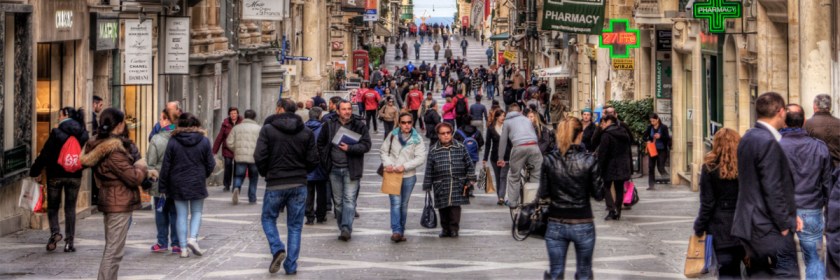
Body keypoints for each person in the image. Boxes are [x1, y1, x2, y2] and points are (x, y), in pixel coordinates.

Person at [732, 92, 801, 278]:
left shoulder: (749, 137)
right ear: (780, 112)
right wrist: (785, 222)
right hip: (767, 226)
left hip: (750, 224)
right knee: (788, 273)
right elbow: (772, 187)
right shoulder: (767, 141)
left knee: (759, 274)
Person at [80, 108, 148, 279]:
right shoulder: (114, 151)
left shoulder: (101, 145)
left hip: (113, 199)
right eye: (123, 122)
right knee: (114, 251)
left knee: (113, 248)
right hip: (118, 201)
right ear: (118, 125)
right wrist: (141, 166)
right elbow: (132, 178)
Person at [254, 98, 319, 275]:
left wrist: (266, 173)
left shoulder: (268, 130)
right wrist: (303, 172)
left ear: (280, 109)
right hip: (298, 182)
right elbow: (313, 159)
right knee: (295, 226)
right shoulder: (306, 132)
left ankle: (277, 248)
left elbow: (259, 156)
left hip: (275, 182)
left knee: (268, 218)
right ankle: (291, 265)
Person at [540, 117, 603, 279]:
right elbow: (599, 194)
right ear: (580, 134)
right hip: (583, 222)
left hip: (556, 222)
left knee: (556, 272)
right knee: (584, 272)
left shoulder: (549, 160)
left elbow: (544, 193)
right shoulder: (589, 160)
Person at [779, 104, 831, 279]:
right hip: (811, 207)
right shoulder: (819, 147)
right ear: (803, 123)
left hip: (782, 209)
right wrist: (826, 205)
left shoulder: (776, 145)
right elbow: (826, 182)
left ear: (784, 122)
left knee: (784, 261)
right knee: (814, 258)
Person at [30, 107, 89, 252]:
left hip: (55, 175)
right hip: (74, 176)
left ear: (65, 116)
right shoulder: (83, 134)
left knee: (53, 207)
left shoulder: (56, 133)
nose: (58, 117)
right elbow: (87, 156)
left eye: (60, 115)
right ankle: (69, 242)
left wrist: (35, 171)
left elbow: (45, 153)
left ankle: (55, 233)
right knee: (70, 209)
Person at [159, 113, 216, 258]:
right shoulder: (203, 141)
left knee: (181, 215)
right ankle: (193, 239)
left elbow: (166, 165)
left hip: (177, 183)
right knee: (197, 212)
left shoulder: (173, 141)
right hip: (197, 181)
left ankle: (183, 248)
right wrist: (203, 175)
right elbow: (211, 163)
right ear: (196, 124)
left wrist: (163, 186)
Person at [692, 128, 745, 279]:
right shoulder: (745, 166)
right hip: (744, 226)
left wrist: (699, 226)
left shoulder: (709, 168)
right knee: (738, 270)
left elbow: (707, 203)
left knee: (726, 271)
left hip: (720, 227)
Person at [317, 101, 372, 241]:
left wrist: (350, 148)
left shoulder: (359, 125)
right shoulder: (329, 125)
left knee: (349, 199)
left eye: (349, 109)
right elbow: (321, 143)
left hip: (351, 168)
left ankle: (346, 228)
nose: (347, 111)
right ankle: (342, 225)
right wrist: (325, 159)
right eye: (344, 109)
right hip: (334, 168)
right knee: (338, 202)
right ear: (337, 111)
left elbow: (366, 145)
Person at [380, 113, 428, 242]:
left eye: (409, 122)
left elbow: (421, 158)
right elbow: (384, 151)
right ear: (399, 123)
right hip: (392, 174)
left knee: (403, 204)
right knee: (395, 203)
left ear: (412, 123)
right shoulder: (393, 135)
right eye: (403, 122)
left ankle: (401, 229)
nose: (406, 125)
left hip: (408, 176)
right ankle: (396, 231)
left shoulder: (417, 138)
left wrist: (405, 166)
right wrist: (388, 164)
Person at [423, 122, 476, 238]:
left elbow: (469, 164)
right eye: (443, 133)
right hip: (440, 183)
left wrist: (471, 178)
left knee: (455, 207)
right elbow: (429, 169)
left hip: (458, 182)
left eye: (448, 133)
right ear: (438, 135)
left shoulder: (460, 147)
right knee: (443, 207)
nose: (446, 135)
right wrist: (427, 185)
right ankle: (445, 228)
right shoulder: (433, 150)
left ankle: (454, 228)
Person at [146, 109, 180, 254]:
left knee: (161, 212)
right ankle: (177, 243)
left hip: (160, 180)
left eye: (161, 119)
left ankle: (162, 241)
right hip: (177, 181)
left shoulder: (156, 139)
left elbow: (151, 163)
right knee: (176, 213)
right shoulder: (180, 137)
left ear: (167, 120)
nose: (159, 122)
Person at [497, 104, 542, 208]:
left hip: (519, 147)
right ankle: (535, 200)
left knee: (514, 176)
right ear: (520, 112)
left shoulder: (507, 122)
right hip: (534, 146)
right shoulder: (526, 119)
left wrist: (500, 158)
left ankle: (513, 203)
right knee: (536, 174)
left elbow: (503, 141)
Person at [597, 115, 632, 221]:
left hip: (610, 165)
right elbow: (628, 149)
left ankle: (612, 210)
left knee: (606, 187)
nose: (602, 125)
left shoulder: (606, 135)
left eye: (603, 122)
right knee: (619, 188)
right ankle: (618, 210)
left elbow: (603, 153)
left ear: (608, 122)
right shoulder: (623, 132)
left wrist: (600, 166)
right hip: (622, 165)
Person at [226, 109, 262, 205]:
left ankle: (236, 187)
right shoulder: (259, 128)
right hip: (254, 157)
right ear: (254, 117)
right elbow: (262, 143)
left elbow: (229, 142)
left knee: (238, 175)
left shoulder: (237, 128)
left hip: (240, 156)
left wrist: (236, 149)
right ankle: (252, 197)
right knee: (253, 177)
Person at [304, 107, 329, 225]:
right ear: (319, 115)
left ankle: (309, 216)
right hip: (320, 164)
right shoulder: (324, 128)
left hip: (306, 164)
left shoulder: (302, 128)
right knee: (321, 192)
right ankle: (320, 215)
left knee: (308, 192)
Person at [804, 94, 840, 167]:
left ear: (815, 106)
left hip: (816, 168)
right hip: (837, 168)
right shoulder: (838, 123)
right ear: (829, 107)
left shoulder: (808, 124)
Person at [484, 110, 511, 205]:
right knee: (498, 177)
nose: (503, 117)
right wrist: (485, 158)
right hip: (494, 157)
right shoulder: (491, 128)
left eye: (504, 115)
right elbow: (487, 144)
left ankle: (501, 197)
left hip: (507, 156)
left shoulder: (508, 127)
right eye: (501, 116)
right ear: (496, 117)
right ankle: (500, 195)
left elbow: (512, 142)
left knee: (503, 176)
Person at [212, 107, 242, 192]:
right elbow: (220, 137)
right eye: (231, 113)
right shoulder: (225, 123)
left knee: (237, 167)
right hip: (227, 148)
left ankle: (236, 186)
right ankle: (227, 185)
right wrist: (214, 151)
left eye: (235, 113)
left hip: (238, 148)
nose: (233, 115)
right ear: (229, 114)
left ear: (237, 114)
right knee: (228, 165)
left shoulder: (241, 122)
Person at [642, 113, 671, 190]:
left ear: (657, 119)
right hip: (652, 149)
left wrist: (660, 136)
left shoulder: (663, 127)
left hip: (662, 150)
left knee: (660, 167)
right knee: (651, 167)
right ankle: (651, 185)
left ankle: (667, 179)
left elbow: (667, 138)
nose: (652, 123)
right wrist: (648, 141)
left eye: (654, 121)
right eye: (651, 121)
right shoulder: (650, 127)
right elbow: (644, 137)